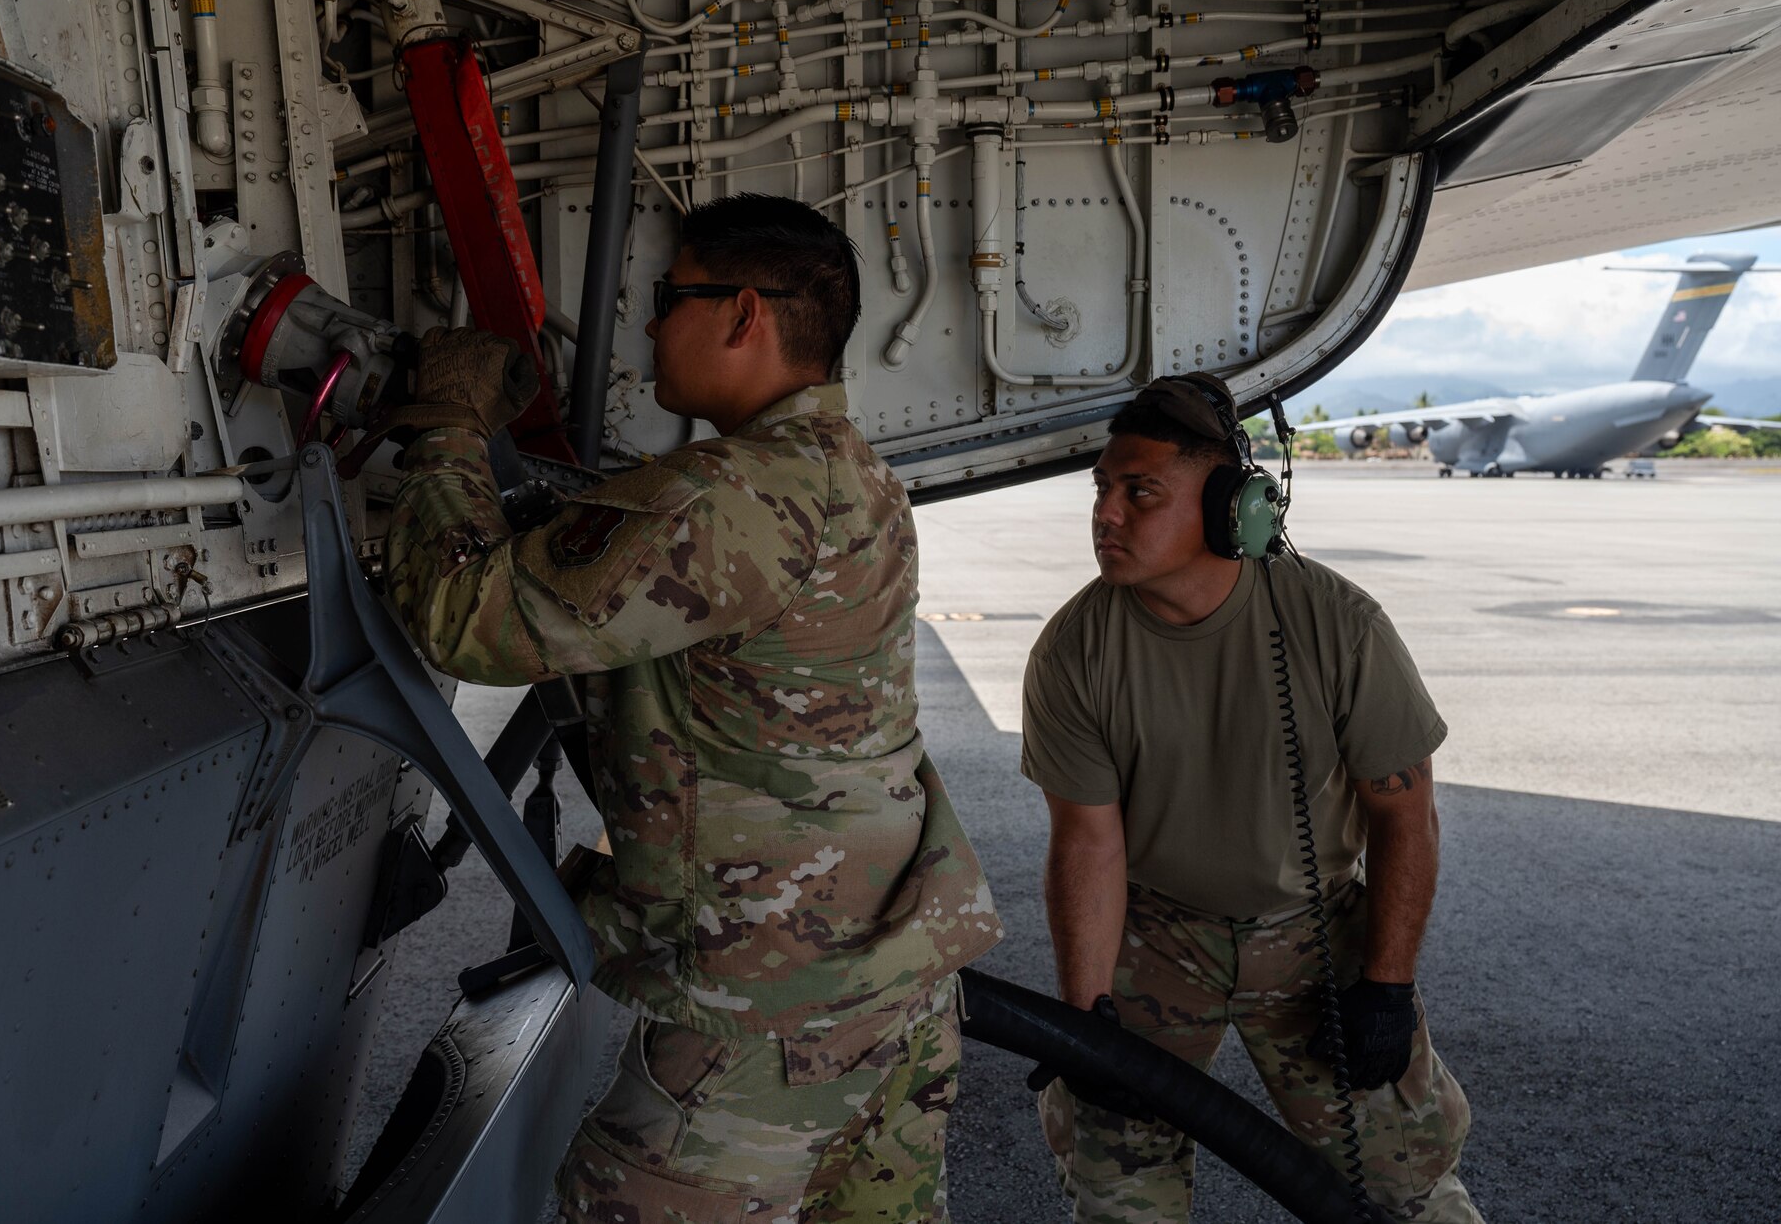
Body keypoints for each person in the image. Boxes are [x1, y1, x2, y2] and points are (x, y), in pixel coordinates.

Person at [385, 193, 999, 1222]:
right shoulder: (852, 472)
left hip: (766, 1020)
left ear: (744, 313)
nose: (648, 322)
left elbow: (465, 618)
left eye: (669, 296)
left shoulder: (727, 496)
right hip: (893, 989)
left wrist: (444, 424)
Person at [1020, 374, 1484, 1224]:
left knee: (1401, 1183)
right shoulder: (1075, 649)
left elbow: (1403, 815)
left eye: (1141, 492)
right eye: (1103, 489)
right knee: (1117, 1183)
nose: (1107, 514)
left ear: (1231, 507)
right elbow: (1087, 843)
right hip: (1158, 935)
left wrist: (1386, 984)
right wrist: (1086, 1013)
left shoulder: (1338, 623)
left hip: (1313, 928)